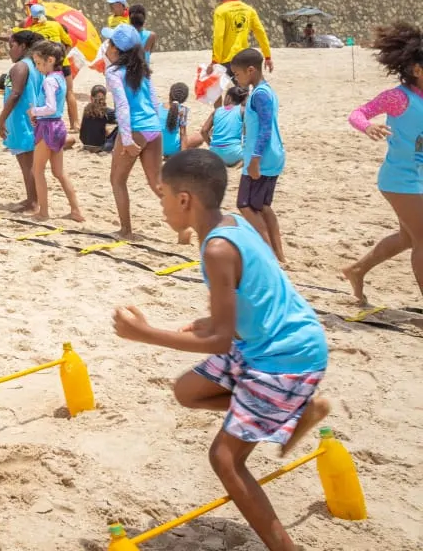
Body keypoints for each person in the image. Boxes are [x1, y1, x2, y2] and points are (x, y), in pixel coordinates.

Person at [113, 149, 330, 551]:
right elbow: (254, 294)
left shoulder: (216, 249)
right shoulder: (232, 225)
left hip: (283, 356)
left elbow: (220, 342)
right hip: (266, 341)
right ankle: (296, 409)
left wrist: (145, 333)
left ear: (184, 200)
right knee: (188, 391)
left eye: (162, 196)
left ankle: (286, 548)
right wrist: (210, 320)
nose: (160, 207)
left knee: (225, 460)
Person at [342, 22, 423, 303]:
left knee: (408, 239)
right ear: (417, 70)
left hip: (418, 177)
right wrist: (367, 127)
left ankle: (357, 269)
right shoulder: (399, 97)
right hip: (400, 180)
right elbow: (358, 113)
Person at [103, 23, 164, 239]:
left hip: (135, 128)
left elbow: (122, 106)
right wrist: (158, 126)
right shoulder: (142, 69)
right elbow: (154, 101)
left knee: (117, 180)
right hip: (153, 128)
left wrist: (127, 139)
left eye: (109, 43)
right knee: (157, 184)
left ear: (116, 50)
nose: (106, 47)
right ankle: (186, 226)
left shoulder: (114, 72)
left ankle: (126, 230)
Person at [230, 48, 287, 263]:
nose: (236, 79)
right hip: (271, 155)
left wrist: (254, 159)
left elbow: (265, 129)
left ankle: (270, 254)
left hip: (262, 158)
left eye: (237, 74)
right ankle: (279, 255)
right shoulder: (266, 91)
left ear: (251, 70)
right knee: (263, 206)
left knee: (245, 204)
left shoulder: (260, 94)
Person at [27, 40, 84, 222]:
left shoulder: (50, 81)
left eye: (38, 63)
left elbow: (50, 107)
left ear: (50, 60)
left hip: (48, 127)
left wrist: (34, 111)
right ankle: (76, 210)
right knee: (59, 172)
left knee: (38, 170)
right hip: (59, 125)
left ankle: (44, 212)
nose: (37, 67)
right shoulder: (61, 78)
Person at [0, 30, 45, 211]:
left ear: (23, 46)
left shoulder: (20, 67)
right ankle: (35, 198)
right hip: (31, 117)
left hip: (20, 118)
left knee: (26, 163)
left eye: (12, 46)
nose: (10, 51)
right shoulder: (36, 66)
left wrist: (1, 118)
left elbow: (15, 94)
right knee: (31, 163)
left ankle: (32, 200)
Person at [25, 3, 80, 131]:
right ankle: (75, 123)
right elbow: (68, 42)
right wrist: (60, 56)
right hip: (62, 63)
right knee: (69, 92)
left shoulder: (33, 30)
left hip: (45, 65)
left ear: (32, 17)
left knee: (45, 92)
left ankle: (40, 117)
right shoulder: (56, 25)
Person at [212, 0, 273, 74]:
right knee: (243, 88)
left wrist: (215, 61)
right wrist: (267, 56)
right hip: (244, 58)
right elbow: (261, 33)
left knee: (232, 89)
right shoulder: (249, 10)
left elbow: (218, 37)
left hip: (227, 60)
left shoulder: (221, 11)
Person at [201, 85, 246, 167]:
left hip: (215, 154)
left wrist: (211, 144)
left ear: (228, 97)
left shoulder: (217, 111)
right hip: (234, 153)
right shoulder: (242, 110)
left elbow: (203, 131)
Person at [160, 82, 205, 159]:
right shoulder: (182, 111)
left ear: (169, 94)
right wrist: (182, 157)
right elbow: (183, 134)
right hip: (172, 149)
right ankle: (172, 154)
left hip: (156, 148)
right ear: (184, 99)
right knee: (199, 137)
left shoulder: (158, 106)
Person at [80, 85, 117, 154]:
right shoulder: (106, 111)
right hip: (100, 147)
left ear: (91, 98)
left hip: (86, 144)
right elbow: (121, 118)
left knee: (99, 126)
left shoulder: (86, 109)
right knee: (120, 127)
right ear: (105, 98)